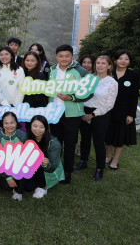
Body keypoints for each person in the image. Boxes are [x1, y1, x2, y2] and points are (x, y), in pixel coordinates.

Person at [48, 44, 92, 185]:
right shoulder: (51, 70)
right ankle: (55, 170)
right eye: (61, 56)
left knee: (69, 144)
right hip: (54, 113)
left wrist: (71, 98)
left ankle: (67, 173)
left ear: (72, 56)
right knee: (55, 144)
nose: (64, 58)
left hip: (72, 114)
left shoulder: (81, 71)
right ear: (56, 56)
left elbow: (88, 93)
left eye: (67, 56)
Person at [74, 56, 118, 181]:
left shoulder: (112, 82)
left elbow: (109, 104)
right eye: (98, 63)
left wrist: (92, 115)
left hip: (101, 114)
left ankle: (99, 169)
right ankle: (83, 162)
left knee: (98, 142)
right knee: (85, 139)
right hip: (85, 111)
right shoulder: (90, 78)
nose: (100, 65)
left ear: (109, 66)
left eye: (103, 63)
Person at [105, 50, 140, 170]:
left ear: (129, 61)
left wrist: (131, 114)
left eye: (126, 59)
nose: (123, 61)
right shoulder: (109, 73)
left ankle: (115, 160)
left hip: (124, 112)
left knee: (121, 137)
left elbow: (134, 96)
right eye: (120, 58)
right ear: (114, 61)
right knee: (108, 135)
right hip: (109, 109)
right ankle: (108, 157)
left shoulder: (134, 75)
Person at [26, 115, 64, 198]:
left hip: (47, 170)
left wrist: (46, 164)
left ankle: (42, 187)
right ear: (30, 126)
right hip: (32, 169)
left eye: (41, 127)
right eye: (35, 126)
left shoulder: (55, 144)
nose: (37, 129)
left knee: (39, 160)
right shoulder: (28, 137)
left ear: (46, 128)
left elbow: (53, 167)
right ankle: (35, 183)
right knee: (28, 187)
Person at [0, 112, 28, 200]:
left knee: (29, 187)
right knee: (6, 187)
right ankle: (10, 180)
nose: (9, 126)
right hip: (3, 168)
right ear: (2, 124)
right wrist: (8, 177)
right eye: (6, 123)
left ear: (16, 122)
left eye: (12, 122)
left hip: (18, 166)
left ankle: (19, 192)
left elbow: (26, 155)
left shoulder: (22, 135)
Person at [21, 51, 48, 133]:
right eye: (27, 60)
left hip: (34, 110)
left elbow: (39, 97)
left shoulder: (39, 75)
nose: (29, 63)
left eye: (32, 60)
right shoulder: (21, 73)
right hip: (21, 108)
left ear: (37, 62)